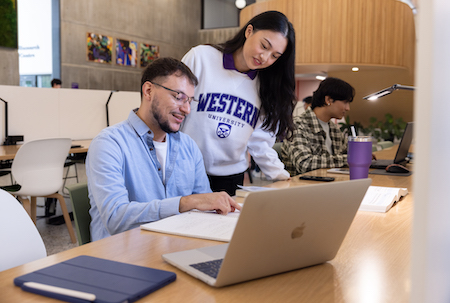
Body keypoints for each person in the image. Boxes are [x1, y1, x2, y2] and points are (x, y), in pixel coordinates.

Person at [86, 57, 241, 241]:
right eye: (178, 97)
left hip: (174, 245)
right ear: (149, 91)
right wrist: (185, 202)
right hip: (122, 256)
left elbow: (204, 205)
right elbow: (115, 219)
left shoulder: (188, 146)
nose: (186, 109)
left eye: (190, 100)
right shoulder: (109, 144)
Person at [181, 11, 296, 196]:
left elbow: (259, 141)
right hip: (186, 171)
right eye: (264, 46)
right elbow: (174, 111)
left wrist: (280, 175)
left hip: (230, 178)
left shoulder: (266, 87)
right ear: (249, 31)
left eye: (275, 56)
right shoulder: (201, 58)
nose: (265, 58)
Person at [281, 77, 355, 176]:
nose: (347, 108)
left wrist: (360, 154)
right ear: (328, 100)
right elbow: (304, 164)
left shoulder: (333, 128)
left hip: (331, 185)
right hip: (303, 188)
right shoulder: (298, 125)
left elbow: (348, 152)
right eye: (345, 102)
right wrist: (351, 158)